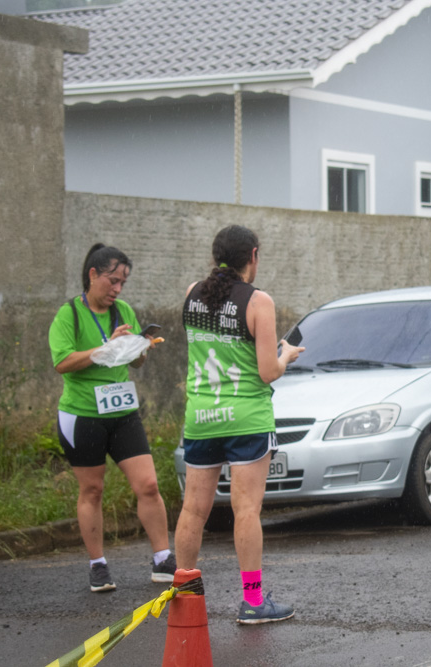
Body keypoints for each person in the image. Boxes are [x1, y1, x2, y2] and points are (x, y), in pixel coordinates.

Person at [173, 225, 304, 624]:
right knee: (246, 510)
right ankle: (252, 600)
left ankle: (182, 595)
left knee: (194, 510)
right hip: (246, 417)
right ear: (254, 255)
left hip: (201, 416)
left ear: (216, 257)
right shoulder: (258, 301)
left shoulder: (193, 292)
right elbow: (267, 372)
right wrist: (288, 355)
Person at [48, 243, 175, 593]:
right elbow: (61, 362)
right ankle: (98, 565)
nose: (117, 289)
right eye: (113, 280)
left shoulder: (123, 311)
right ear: (93, 275)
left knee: (148, 485)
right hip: (82, 415)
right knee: (92, 489)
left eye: (123, 283)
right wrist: (103, 350)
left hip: (122, 412)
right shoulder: (69, 314)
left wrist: (139, 348)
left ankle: (163, 558)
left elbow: (135, 363)